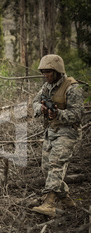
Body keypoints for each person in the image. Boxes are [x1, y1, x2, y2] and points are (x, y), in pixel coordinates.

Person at [32, 54, 84, 217]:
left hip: (68, 132)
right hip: (51, 131)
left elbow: (77, 114)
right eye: (44, 72)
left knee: (55, 165)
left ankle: (49, 203)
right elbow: (35, 101)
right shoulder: (46, 87)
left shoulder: (72, 87)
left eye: (49, 72)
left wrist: (58, 114)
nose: (45, 75)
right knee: (46, 168)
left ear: (58, 71)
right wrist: (41, 109)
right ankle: (67, 200)